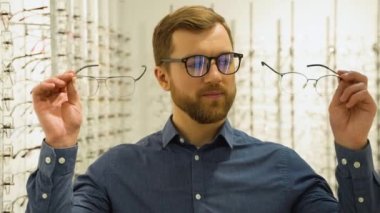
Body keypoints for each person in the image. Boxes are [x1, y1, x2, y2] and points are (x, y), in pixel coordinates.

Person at [26, 5, 379, 213]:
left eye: (224, 60)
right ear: (163, 77)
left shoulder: (284, 170)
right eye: (196, 63)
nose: (214, 75)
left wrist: (352, 146)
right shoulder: (116, 173)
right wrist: (59, 144)